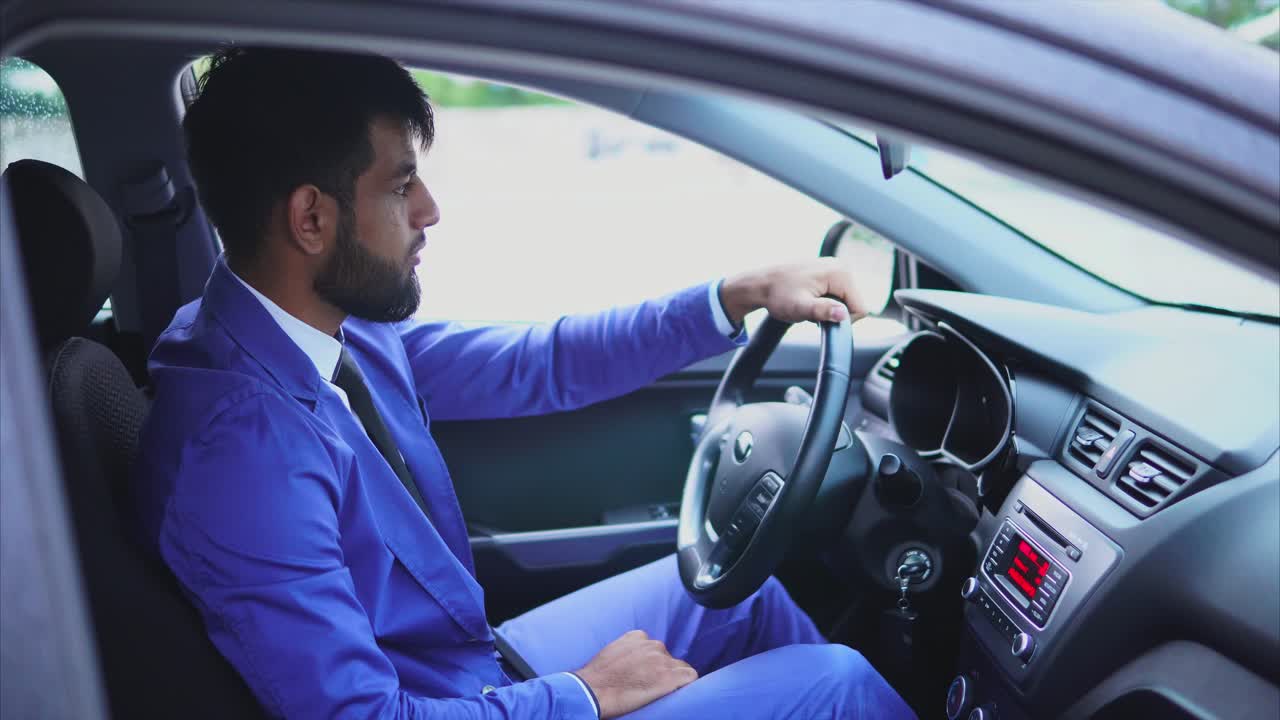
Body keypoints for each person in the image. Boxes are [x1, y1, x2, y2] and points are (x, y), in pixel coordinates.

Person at [133, 46, 915, 719]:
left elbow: (543, 362)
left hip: (468, 670)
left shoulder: (332, 330)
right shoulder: (240, 447)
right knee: (835, 684)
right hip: (444, 699)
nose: (431, 211)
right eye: (403, 185)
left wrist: (734, 296)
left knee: (743, 595)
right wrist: (580, 696)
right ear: (311, 219)